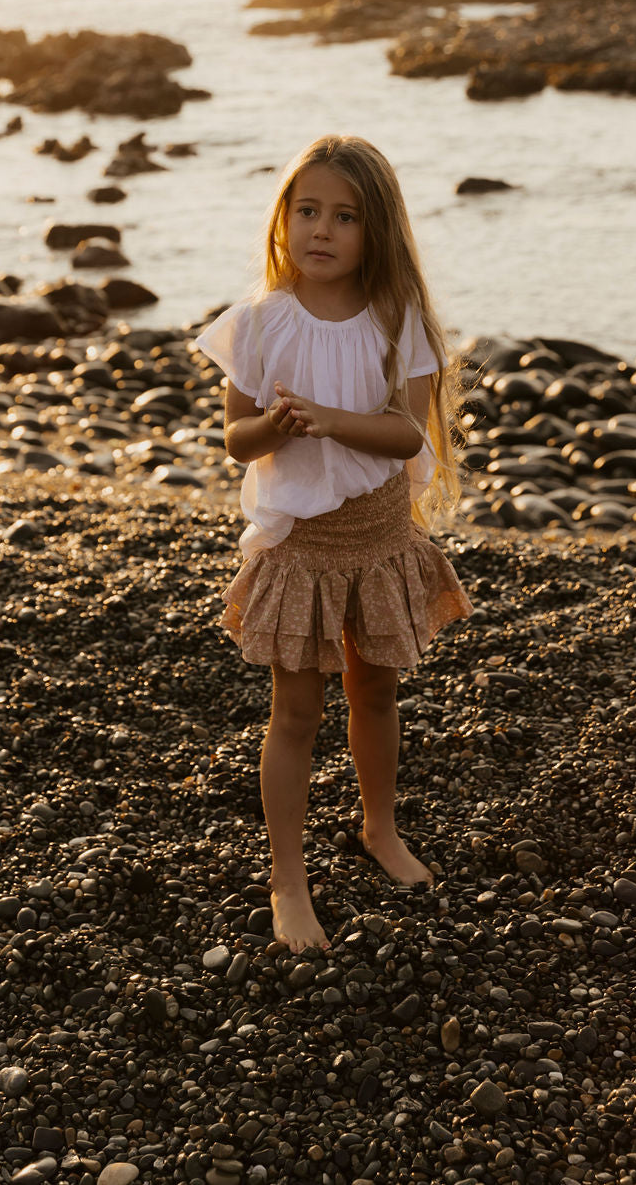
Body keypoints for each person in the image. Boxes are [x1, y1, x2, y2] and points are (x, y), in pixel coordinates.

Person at [196, 134, 473, 952]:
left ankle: (377, 826)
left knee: (376, 691)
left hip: (381, 537)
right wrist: (274, 422)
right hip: (301, 548)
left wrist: (324, 416)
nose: (322, 229)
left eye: (344, 215)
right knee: (295, 711)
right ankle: (288, 877)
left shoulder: (400, 319)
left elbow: (402, 433)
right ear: (284, 219)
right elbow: (235, 441)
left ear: (375, 228)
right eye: (306, 210)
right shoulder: (257, 323)